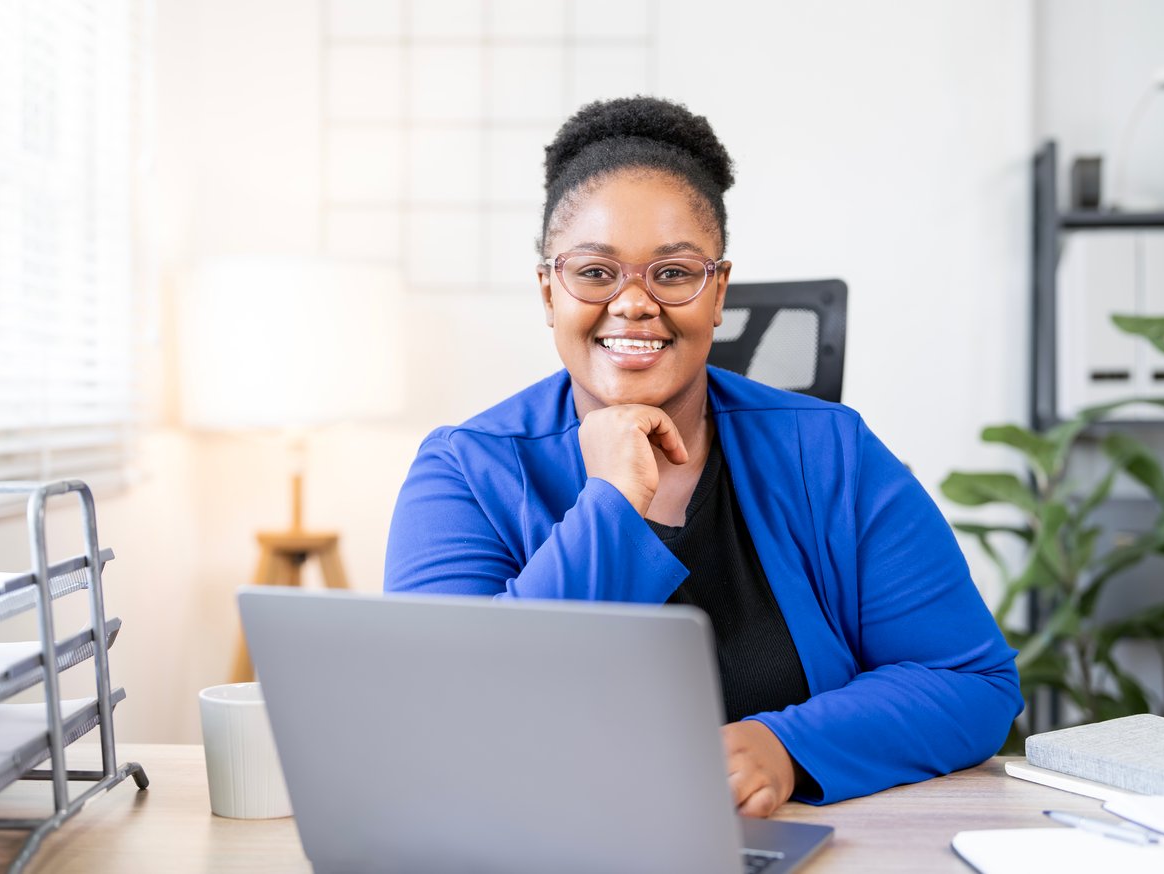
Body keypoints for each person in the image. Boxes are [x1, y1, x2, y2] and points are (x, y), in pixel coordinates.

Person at [384, 96, 1021, 816]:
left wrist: (786, 747)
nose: (633, 303)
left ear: (717, 293)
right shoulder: (463, 473)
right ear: (547, 292)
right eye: (595, 272)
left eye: (674, 273)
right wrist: (613, 502)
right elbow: (445, 723)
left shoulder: (831, 451)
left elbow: (971, 681)